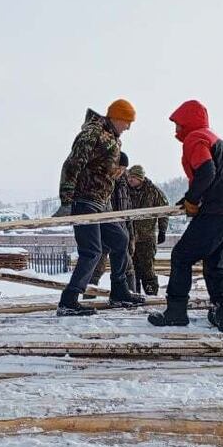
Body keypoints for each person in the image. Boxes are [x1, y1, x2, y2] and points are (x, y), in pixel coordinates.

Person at [148, 100, 223, 334]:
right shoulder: (214, 139)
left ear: (188, 122)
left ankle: (176, 312)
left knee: (181, 256)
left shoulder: (195, 138)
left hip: (216, 212)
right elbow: (215, 177)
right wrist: (190, 198)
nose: (176, 130)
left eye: (178, 124)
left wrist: (193, 199)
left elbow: (206, 172)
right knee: (214, 264)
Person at [54, 101, 145, 315]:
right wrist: (67, 200)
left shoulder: (111, 137)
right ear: (115, 117)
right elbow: (72, 164)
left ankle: (119, 292)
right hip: (85, 199)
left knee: (120, 240)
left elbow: (101, 165)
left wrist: (117, 165)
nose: (128, 127)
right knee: (92, 251)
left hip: (101, 203)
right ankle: (69, 300)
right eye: (127, 122)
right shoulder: (93, 133)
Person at [89, 152, 135, 288]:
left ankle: (130, 296)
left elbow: (128, 213)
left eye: (124, 169)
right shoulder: (101, 180)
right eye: (119, 168)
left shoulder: (125, 185)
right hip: (103, 231)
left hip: (121, 231)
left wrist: (131, 236)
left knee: (128, 268)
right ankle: (89, 299)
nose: (121, 172)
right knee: (95, 270)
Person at [126, 164, 169, 295]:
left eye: (133, 177)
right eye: (129, 177)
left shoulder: (153, 192)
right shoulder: (126, 191)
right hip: (130, 237)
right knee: (131, 269)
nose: (130, 180)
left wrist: (162, 230)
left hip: (147, 237)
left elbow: (163, 211)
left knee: (147, 269)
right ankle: (134, 293)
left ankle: (151, 293)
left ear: (140, 178)